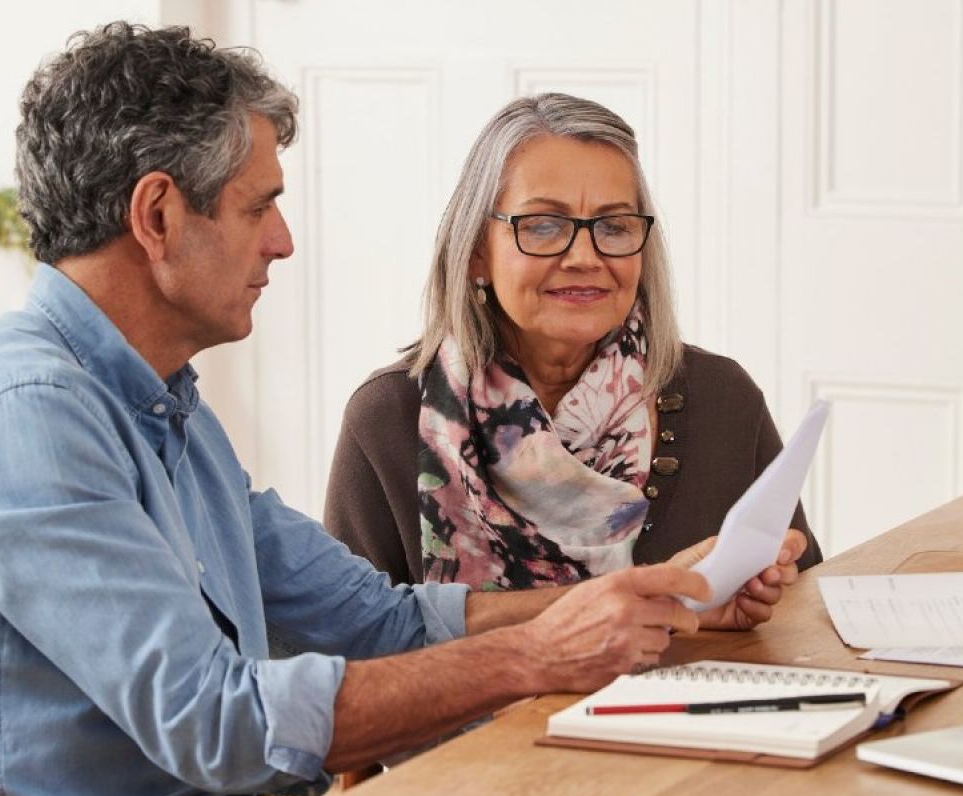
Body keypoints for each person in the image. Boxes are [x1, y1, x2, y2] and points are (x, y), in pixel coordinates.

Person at [0, 26, 805, 796]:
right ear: (157, 216)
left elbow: (376, 617)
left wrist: (634, 604)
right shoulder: (23, 417)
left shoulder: (164, 408)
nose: (280, 243)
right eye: (258, 207)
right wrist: (535, 659)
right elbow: (218, 726)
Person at [325, 93, 822, 591]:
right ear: (477, 253)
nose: (585, 256)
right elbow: (346, 651)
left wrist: (760, 605)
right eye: (542, 225)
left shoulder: (724, 398)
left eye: (614, 226)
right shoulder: (387, 418)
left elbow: (797, 616)